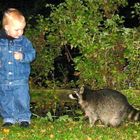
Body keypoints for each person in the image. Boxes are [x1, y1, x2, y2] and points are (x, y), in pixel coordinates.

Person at [0, 8, 36, 128]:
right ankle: (8, 118)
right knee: (6, 99)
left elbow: (32, 54)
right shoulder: (1, 42)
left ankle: (24, 118)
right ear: (6, 28)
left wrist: (23, 56)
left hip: (20, 78)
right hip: (3, 79)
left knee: (22, 99)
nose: (20, 32)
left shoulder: (24, 42)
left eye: (22, 29)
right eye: (17, 29)